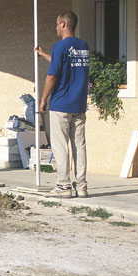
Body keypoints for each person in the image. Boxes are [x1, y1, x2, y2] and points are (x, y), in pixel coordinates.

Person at [35, 11, 90, 198]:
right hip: (79, 104)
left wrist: (43, 98)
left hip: (61, 104)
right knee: (79, 146)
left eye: (57, 24)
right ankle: (81, 186)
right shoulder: (83, 47)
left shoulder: (60, 46)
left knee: (61, 146)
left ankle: (64, 186)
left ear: (64, 25)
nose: (56, 27)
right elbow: (66, 63)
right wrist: (44, 55)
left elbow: (53, 75)